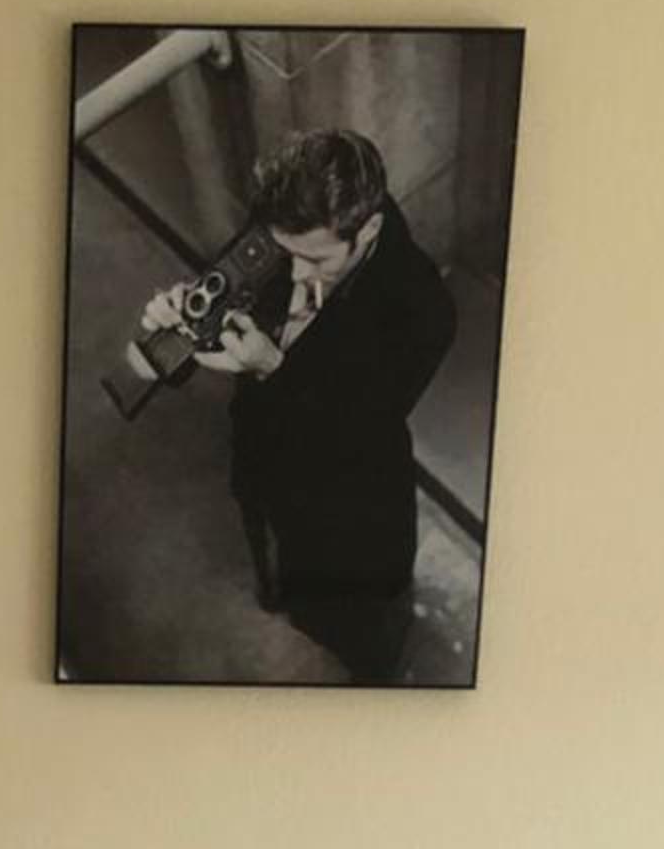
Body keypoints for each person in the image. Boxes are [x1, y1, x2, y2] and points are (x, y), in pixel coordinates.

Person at [140, 128, 456, 683]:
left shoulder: (423, 306)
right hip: (263, 461)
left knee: (363, 629)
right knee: (288, 572)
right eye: (283, 253)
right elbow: (207, 324)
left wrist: (273, 368)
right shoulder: (280, 230)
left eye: (314, 259)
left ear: (368, 231)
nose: (292, 273)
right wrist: (179, 327)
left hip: (352, 506)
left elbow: (359, 430)